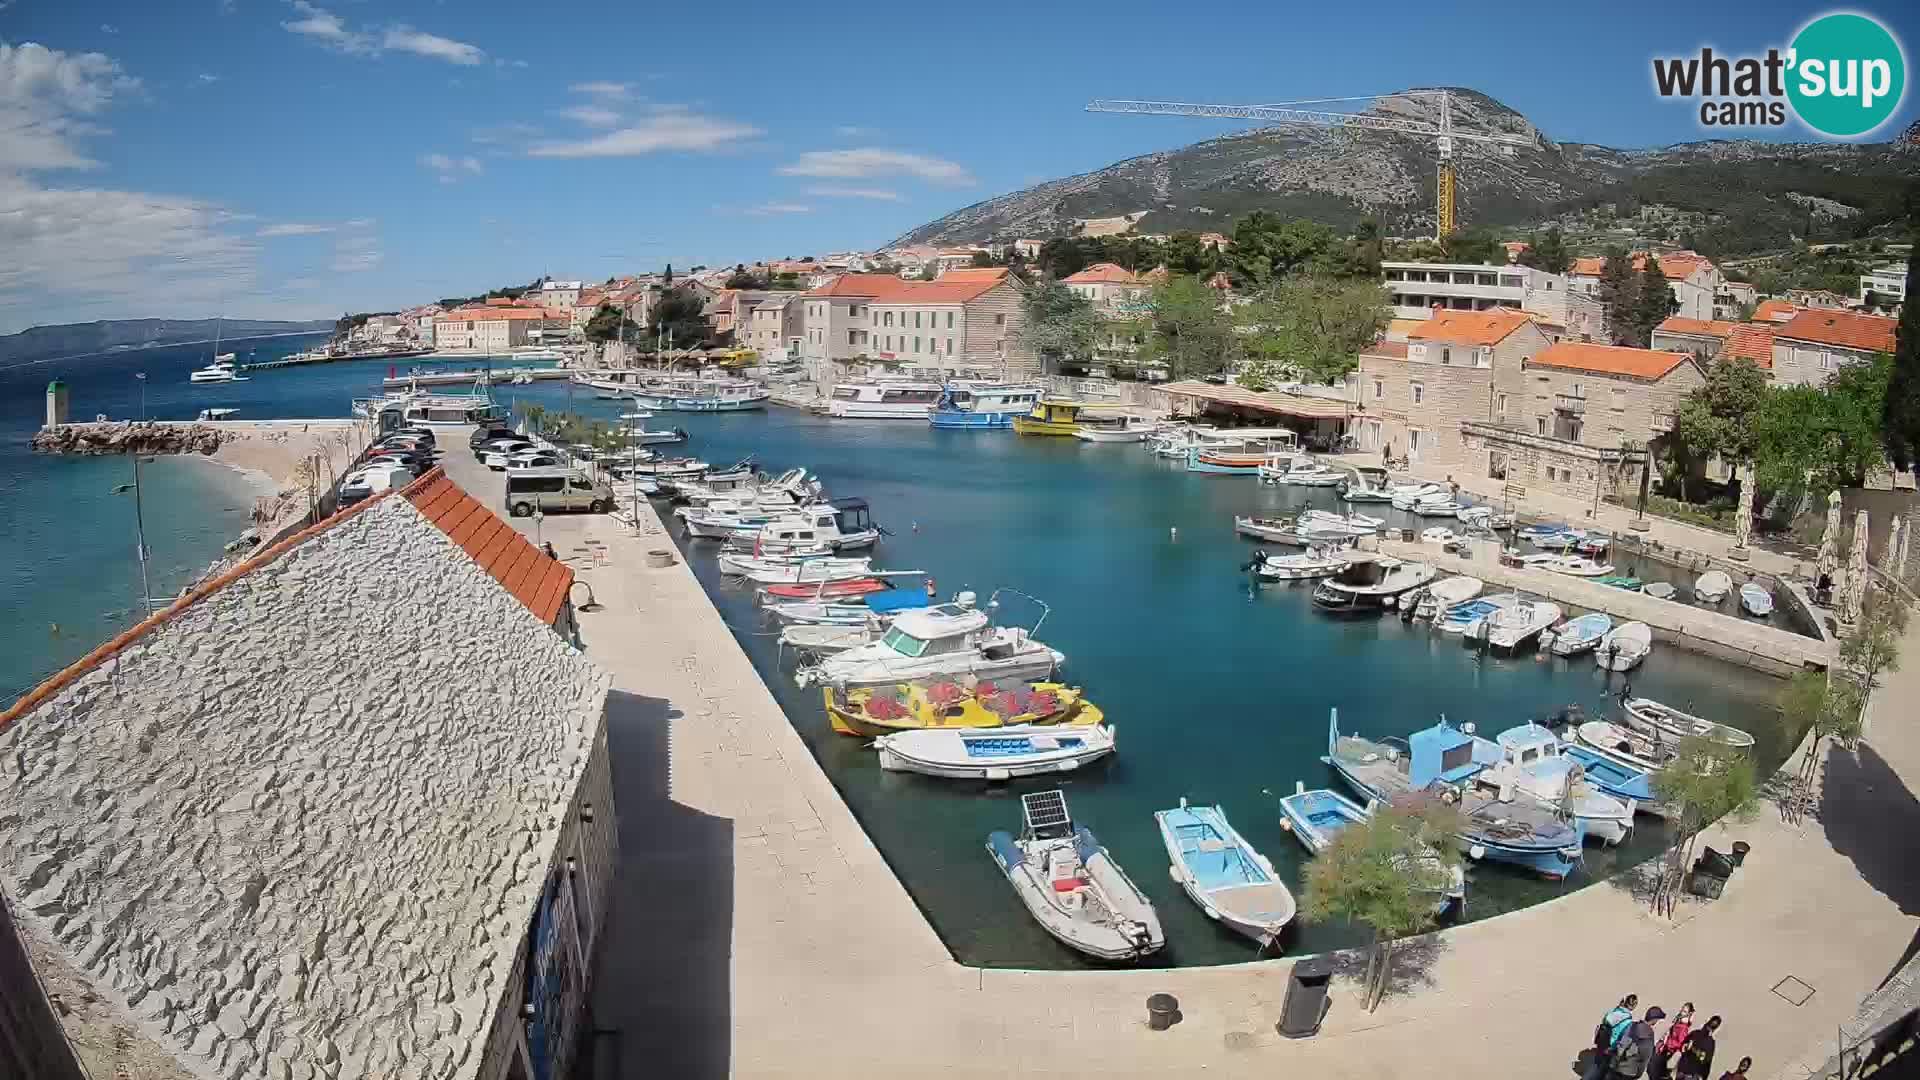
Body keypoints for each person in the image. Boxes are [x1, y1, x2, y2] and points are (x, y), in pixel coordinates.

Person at [1586, 995, 1640, 1080]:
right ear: (1634, 1005)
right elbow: (1623, 1037)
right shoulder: (1628, 1021)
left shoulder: (1613, 1012)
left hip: (1602, 1042)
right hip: (1611, 1047)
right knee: (1603, 1071)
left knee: (1597, 1065)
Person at [1611, 1006, 1664, 1079]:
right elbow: (1645, 1056)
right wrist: (1639, 1073)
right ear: (1654, 1020)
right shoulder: (1649, 1033)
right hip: (1630, 1071)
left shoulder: (1632, 1025)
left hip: (1616, 1065)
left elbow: (1622, 1040)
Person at [1650, 1002, 1695, 1080]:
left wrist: (1668, 1044)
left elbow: (1680, 1042)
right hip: (1667, 1049)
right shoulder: (1679, 1020)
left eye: (1684, 1011)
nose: (1681, 1012)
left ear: (1688, 1014)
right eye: (1682, 1009)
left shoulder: (1683, 1027)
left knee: (1659, 1072)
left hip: (1670, 1051)